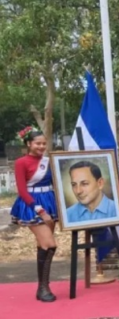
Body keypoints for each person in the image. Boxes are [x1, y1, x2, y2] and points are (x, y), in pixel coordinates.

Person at [10, 128, 57, 302]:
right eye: (38, 143)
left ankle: (42, 287)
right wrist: (40, 211)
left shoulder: (48, 161)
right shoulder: (21, 162)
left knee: (43, 245)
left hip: (49, 202)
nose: (41, 146)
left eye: (44, 143)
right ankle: (44, 286)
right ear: (29, 144)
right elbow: (22, 190)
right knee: (50, 244)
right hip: (32, 204)